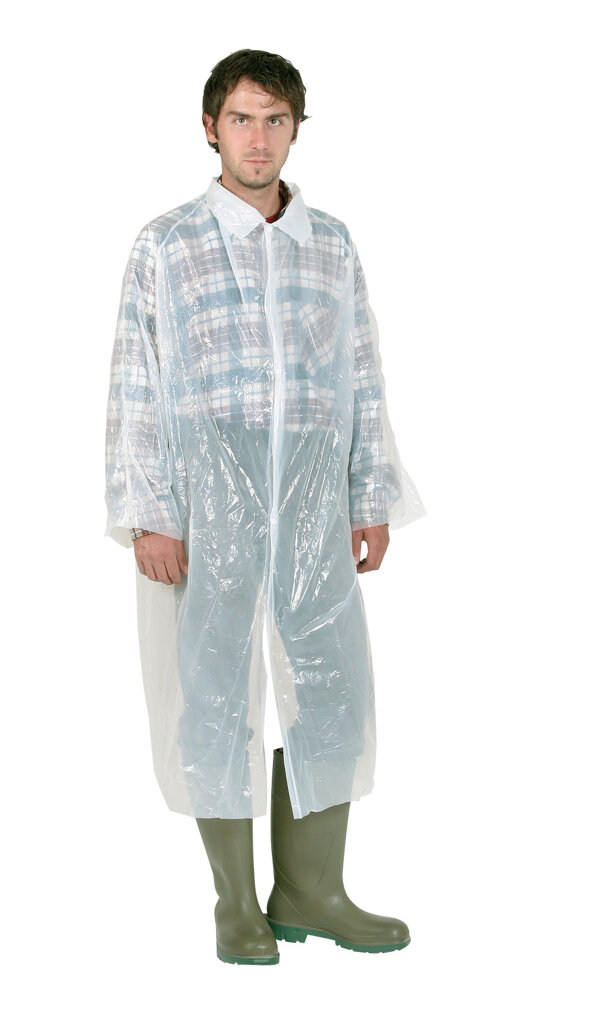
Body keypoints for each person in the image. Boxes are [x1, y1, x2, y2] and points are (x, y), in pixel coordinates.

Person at [105, 48, 425, 965]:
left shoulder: (330, 243)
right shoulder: (167, 244)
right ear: (210, 127)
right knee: (214, 688)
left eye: (275, 119)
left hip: (314, 493)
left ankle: (311, 892)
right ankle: (235, 904)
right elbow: (137, 378)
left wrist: (369, 494)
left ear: (295, 129)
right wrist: (149, 511)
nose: (258, 138)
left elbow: (359, 372)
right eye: (241, 119)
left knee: (329, 680)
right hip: (206, 498)